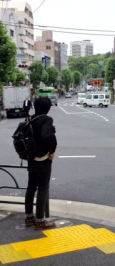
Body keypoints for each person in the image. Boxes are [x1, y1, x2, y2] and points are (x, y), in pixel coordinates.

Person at [24, 97, 57, 231]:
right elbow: (45, 136)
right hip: (43, 159)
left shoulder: (30, 119)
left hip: (31, 158)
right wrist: (51, 151)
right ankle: (40, 221)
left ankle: (29, 217)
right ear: (48, 108)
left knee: (31, 187)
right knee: (43, 188)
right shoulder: (47, 120)